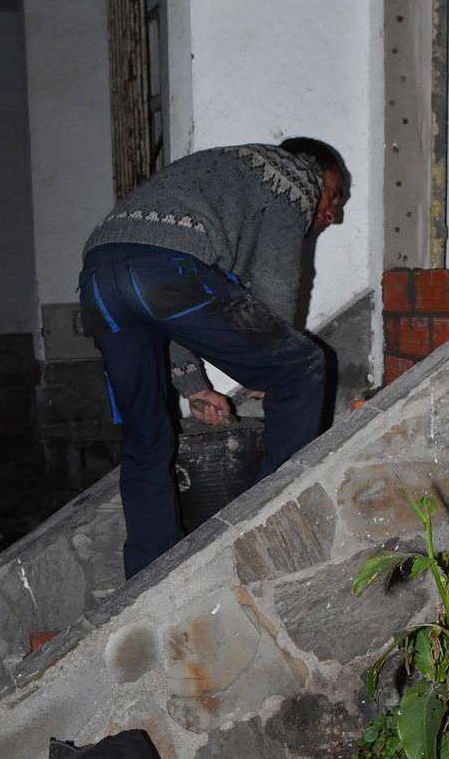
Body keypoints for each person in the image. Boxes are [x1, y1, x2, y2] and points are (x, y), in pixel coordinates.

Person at [78, 137, 348, 579]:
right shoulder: (294, 174)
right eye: (334, 195)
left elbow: (170, 291)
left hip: (99, 277)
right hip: (165, 270)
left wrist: (193, 387)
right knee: (302, 369)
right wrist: (272, 354)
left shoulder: (227, 173)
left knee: (146, 440)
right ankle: (276, 534)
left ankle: (152, 576)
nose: (332, 214)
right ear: (316, 170)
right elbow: (276, 280)